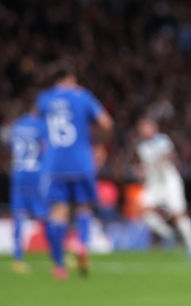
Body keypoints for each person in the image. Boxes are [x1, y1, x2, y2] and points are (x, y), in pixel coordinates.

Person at [35, 65, 113, 279]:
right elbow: (106, 123)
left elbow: (36, 125)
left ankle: (59, 266)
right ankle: (81, 245)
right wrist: (98, 146)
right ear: (72, 78)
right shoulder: (83, 97)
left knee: (58, 212)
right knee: (84, 208)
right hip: (81, 161)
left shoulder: (44, 99)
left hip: (54, 163)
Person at [135, 117, 191, 260]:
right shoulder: (141, 146)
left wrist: (158, 162)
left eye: (147, 127)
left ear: (154, 128)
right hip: (154, 183)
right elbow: (144, 165)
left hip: (169, 181)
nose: (144, 131)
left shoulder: (162, 140)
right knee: (144, 211)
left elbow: (170, 156)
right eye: (142, 128)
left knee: (179, 215)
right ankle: (168, 235)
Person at [7, 108, 48, 274]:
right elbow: (46, 148)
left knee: (19, 215)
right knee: (46, 215)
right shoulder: (41, 125)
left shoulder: (17, 125)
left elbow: (12, 147)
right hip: (36, 175)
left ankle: (17, 258)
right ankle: (57, 255)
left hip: (18, 174)